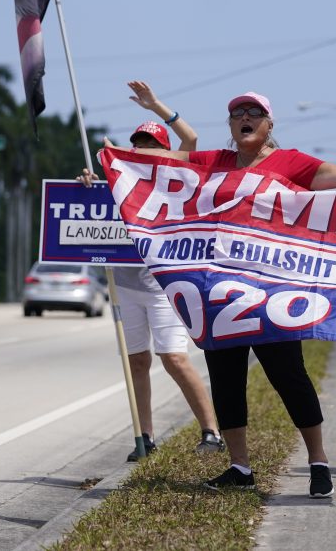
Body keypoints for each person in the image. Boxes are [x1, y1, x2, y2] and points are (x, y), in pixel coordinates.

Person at [108, 90, 336, 498]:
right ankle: (240, 467)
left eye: (254, 112)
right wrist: (118, 154)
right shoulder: (216, 162)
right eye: (237, 113)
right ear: (230, 125)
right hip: (221, 291)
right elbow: (168, 162)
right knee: (225, 378)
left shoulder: (288, 162)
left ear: (269, 123)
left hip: (274, 290)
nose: (245, 117)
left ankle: (318, 461)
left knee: (288, 374)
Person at [80, 81, 225, 462]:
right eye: (138, 145)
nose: (144, 151)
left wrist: (156, 105)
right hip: (124, 284)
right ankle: (145, 438)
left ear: (163, 151)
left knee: (174, 357)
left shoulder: (175, 177)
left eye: (152, 145)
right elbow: (90, 204)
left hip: (163, 283)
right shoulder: (120, 181)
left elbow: (190, 138)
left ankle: (211, 431)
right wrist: (88, 186)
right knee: (137, 362)